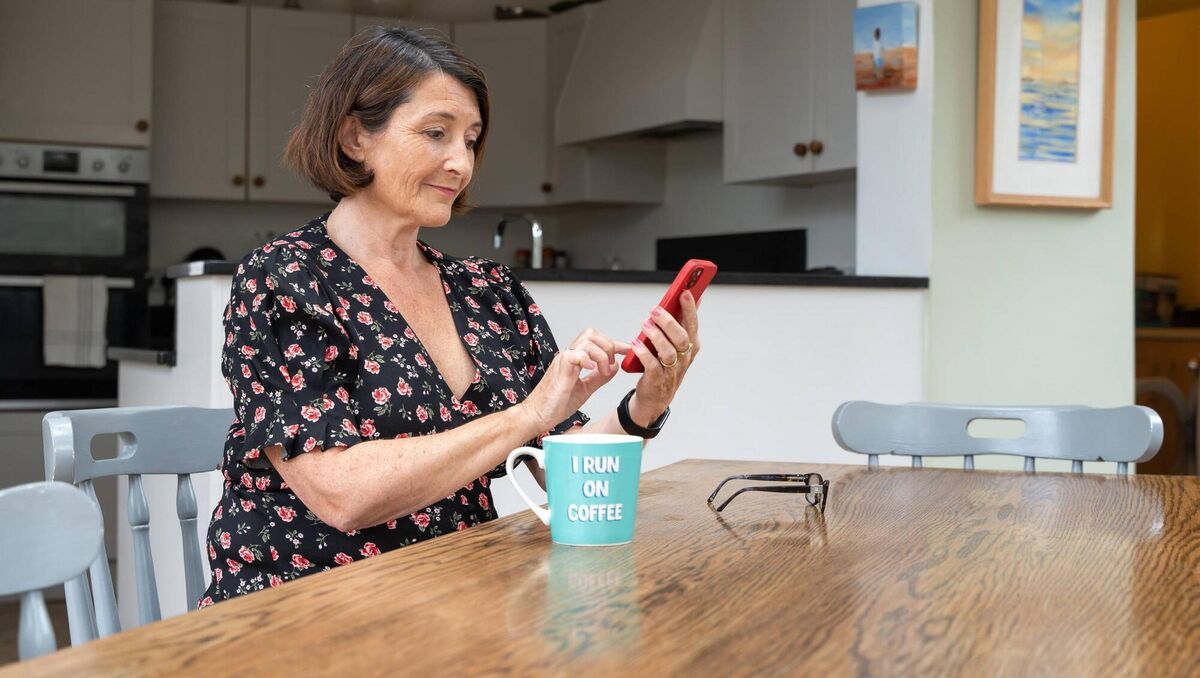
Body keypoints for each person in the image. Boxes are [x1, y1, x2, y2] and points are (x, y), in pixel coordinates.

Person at [198, 26, 701, 605]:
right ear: (356, 136)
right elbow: (341, 496)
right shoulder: (284, 279)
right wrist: (529, 414)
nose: (460, 163)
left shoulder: (487, 290)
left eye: (471, 140)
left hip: (459, 595)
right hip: (307, 607)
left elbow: (561, 477)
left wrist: (647, 403)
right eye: (436, 133)